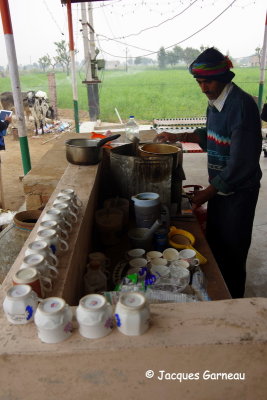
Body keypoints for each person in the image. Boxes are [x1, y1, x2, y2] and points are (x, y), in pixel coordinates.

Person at [154, 47, 262, 298]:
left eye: (208, 81)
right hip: (220, 188)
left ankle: (234, 302)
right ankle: (218, 294)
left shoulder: (242, 106)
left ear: (224, 77)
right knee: (217, 246)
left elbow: (242, 162)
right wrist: (178, 136)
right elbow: (209, 137)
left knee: (233, 250)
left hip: (239, 193)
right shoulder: (215, 104)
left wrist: (208, 192)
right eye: (199, 82)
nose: (203, 88)